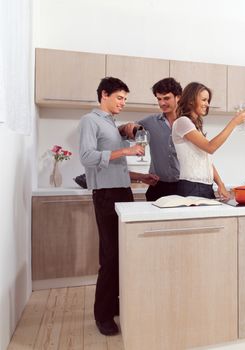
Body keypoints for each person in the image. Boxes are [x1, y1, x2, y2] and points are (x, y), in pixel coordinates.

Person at [79, 77, 157, 336]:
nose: (123, 103)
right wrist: (125, 151)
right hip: (106, 195)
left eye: (125, 99)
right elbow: (87, 157)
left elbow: (114, 166)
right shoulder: (90, 121)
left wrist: (140, 177)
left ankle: (113, 306)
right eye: (120, 98)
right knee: (110, 256)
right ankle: (102, 316)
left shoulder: (111, 125)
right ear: (104, 94)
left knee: (121, 253)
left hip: (122, 191)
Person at [172, 82, 245, 199]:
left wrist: (220, 184)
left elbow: (206, 160)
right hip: (191, 186)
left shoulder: (194, 126)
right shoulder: (182, 122)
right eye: (204, 100)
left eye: (208, 101)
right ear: (191, 100)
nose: (207, 104)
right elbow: (210, 147)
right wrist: (234, 122)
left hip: (205, 186)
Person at [118, 77, 182, 201]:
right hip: (157, 186)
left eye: (166, 98)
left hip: (183, 186)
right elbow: (123, 133)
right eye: (159, 99)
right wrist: (127, 127)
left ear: (178, 97)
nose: (162, 103)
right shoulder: (150, 122)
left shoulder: (189, 123)